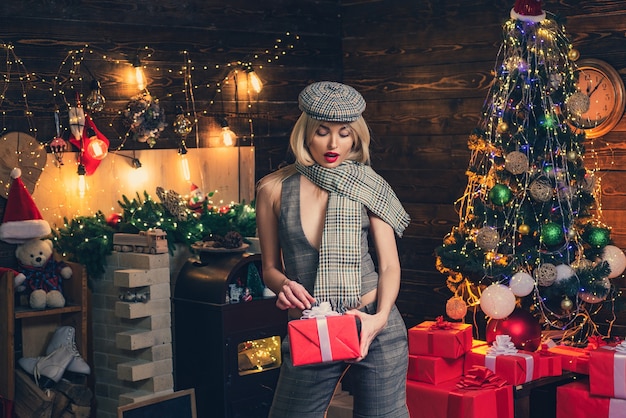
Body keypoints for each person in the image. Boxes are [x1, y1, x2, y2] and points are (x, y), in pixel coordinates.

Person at [256, 81, 411, 418]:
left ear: (356, 136)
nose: (333, 143)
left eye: (344, 133)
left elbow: (389, 267)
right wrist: (283, 286)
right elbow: (269, 267)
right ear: (305, 132)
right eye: (322, 131)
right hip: (313, 324)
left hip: (372, 321)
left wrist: (380, 320)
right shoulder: (272, 189)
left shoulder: (368, 185)